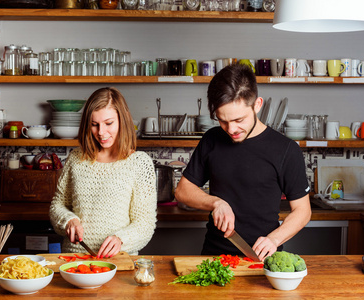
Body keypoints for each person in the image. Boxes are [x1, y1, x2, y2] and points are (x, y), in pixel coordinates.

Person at [175, 64, 311, 261]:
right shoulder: (212, 139)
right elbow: (182, 191)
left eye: (239, 119)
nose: (231, 129)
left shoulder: (286, 149)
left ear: (257, 105)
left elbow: (303, 211)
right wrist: (216, 203)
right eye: (222, 121)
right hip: (214, 258)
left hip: (262, 259)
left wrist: (274, 239)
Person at [50, 87, 157, 258]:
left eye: (108, 123)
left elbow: (145, 224)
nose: (101, 132)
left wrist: (121, 239)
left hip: (119, 261)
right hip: (74, 260)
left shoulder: (139, 163)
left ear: (123, 120)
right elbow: (57, 205)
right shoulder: (76, 159)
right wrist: (69, 220)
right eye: (94, 124)